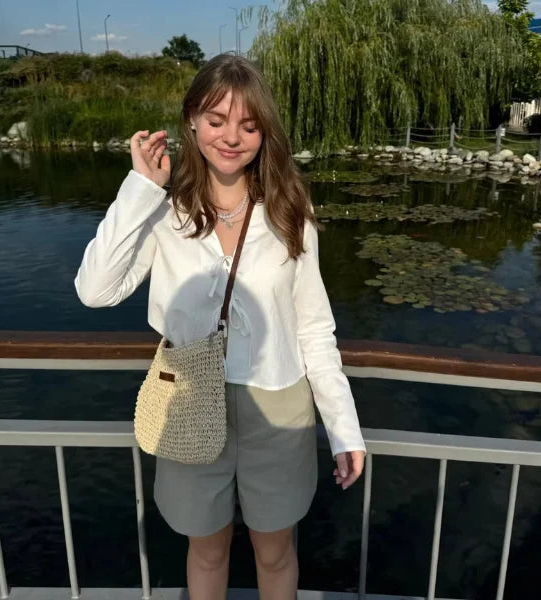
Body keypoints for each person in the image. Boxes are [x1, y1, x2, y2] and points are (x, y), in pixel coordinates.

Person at [74, 54, 366, 600]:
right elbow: (95, 291)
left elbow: (313, 328)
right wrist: (140, 188)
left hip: (278, 409)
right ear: (190, 120)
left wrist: (343, 428)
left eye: (249, 126)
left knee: (275, 553)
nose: (231, 138)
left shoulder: (289, 210)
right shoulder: (164, 212)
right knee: (206, 551)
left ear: (265, 132)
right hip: (187, 398)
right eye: (216, 120)